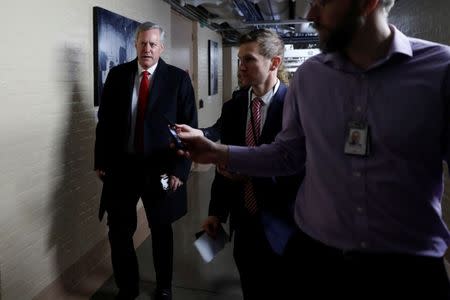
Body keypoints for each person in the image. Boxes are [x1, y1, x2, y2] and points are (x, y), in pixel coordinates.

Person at [176, 0, 450, 299]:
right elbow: (287, 154)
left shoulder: (440, 70)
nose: (311, 15)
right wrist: (217, 152)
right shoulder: (310, 77)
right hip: (317, 260)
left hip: (409, 271)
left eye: (323, 2)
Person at [178, 29, 303, 299]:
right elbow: (224, 163)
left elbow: (301, 169)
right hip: (244, 223)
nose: (240, 67)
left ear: (274, 63)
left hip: (284, 225)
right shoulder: (234, 106)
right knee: (251, 288)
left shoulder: (296, 106)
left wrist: (249, 171)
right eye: (239, 60)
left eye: (249, 60)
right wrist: (216, 212)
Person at [94, 22, 197, 300]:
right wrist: (100, 159)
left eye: (153, 44)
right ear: (135, 45)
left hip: (160, 167)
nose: (147, 49)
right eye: (142, 43)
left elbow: (188, 128)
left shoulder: (177, 79)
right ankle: (127, 287)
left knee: (162, 229)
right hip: (122, 167)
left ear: (161, 48)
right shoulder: (117, 75)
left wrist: (180, 169)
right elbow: (104, 122)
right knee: (118, 230)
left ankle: (164, 286)